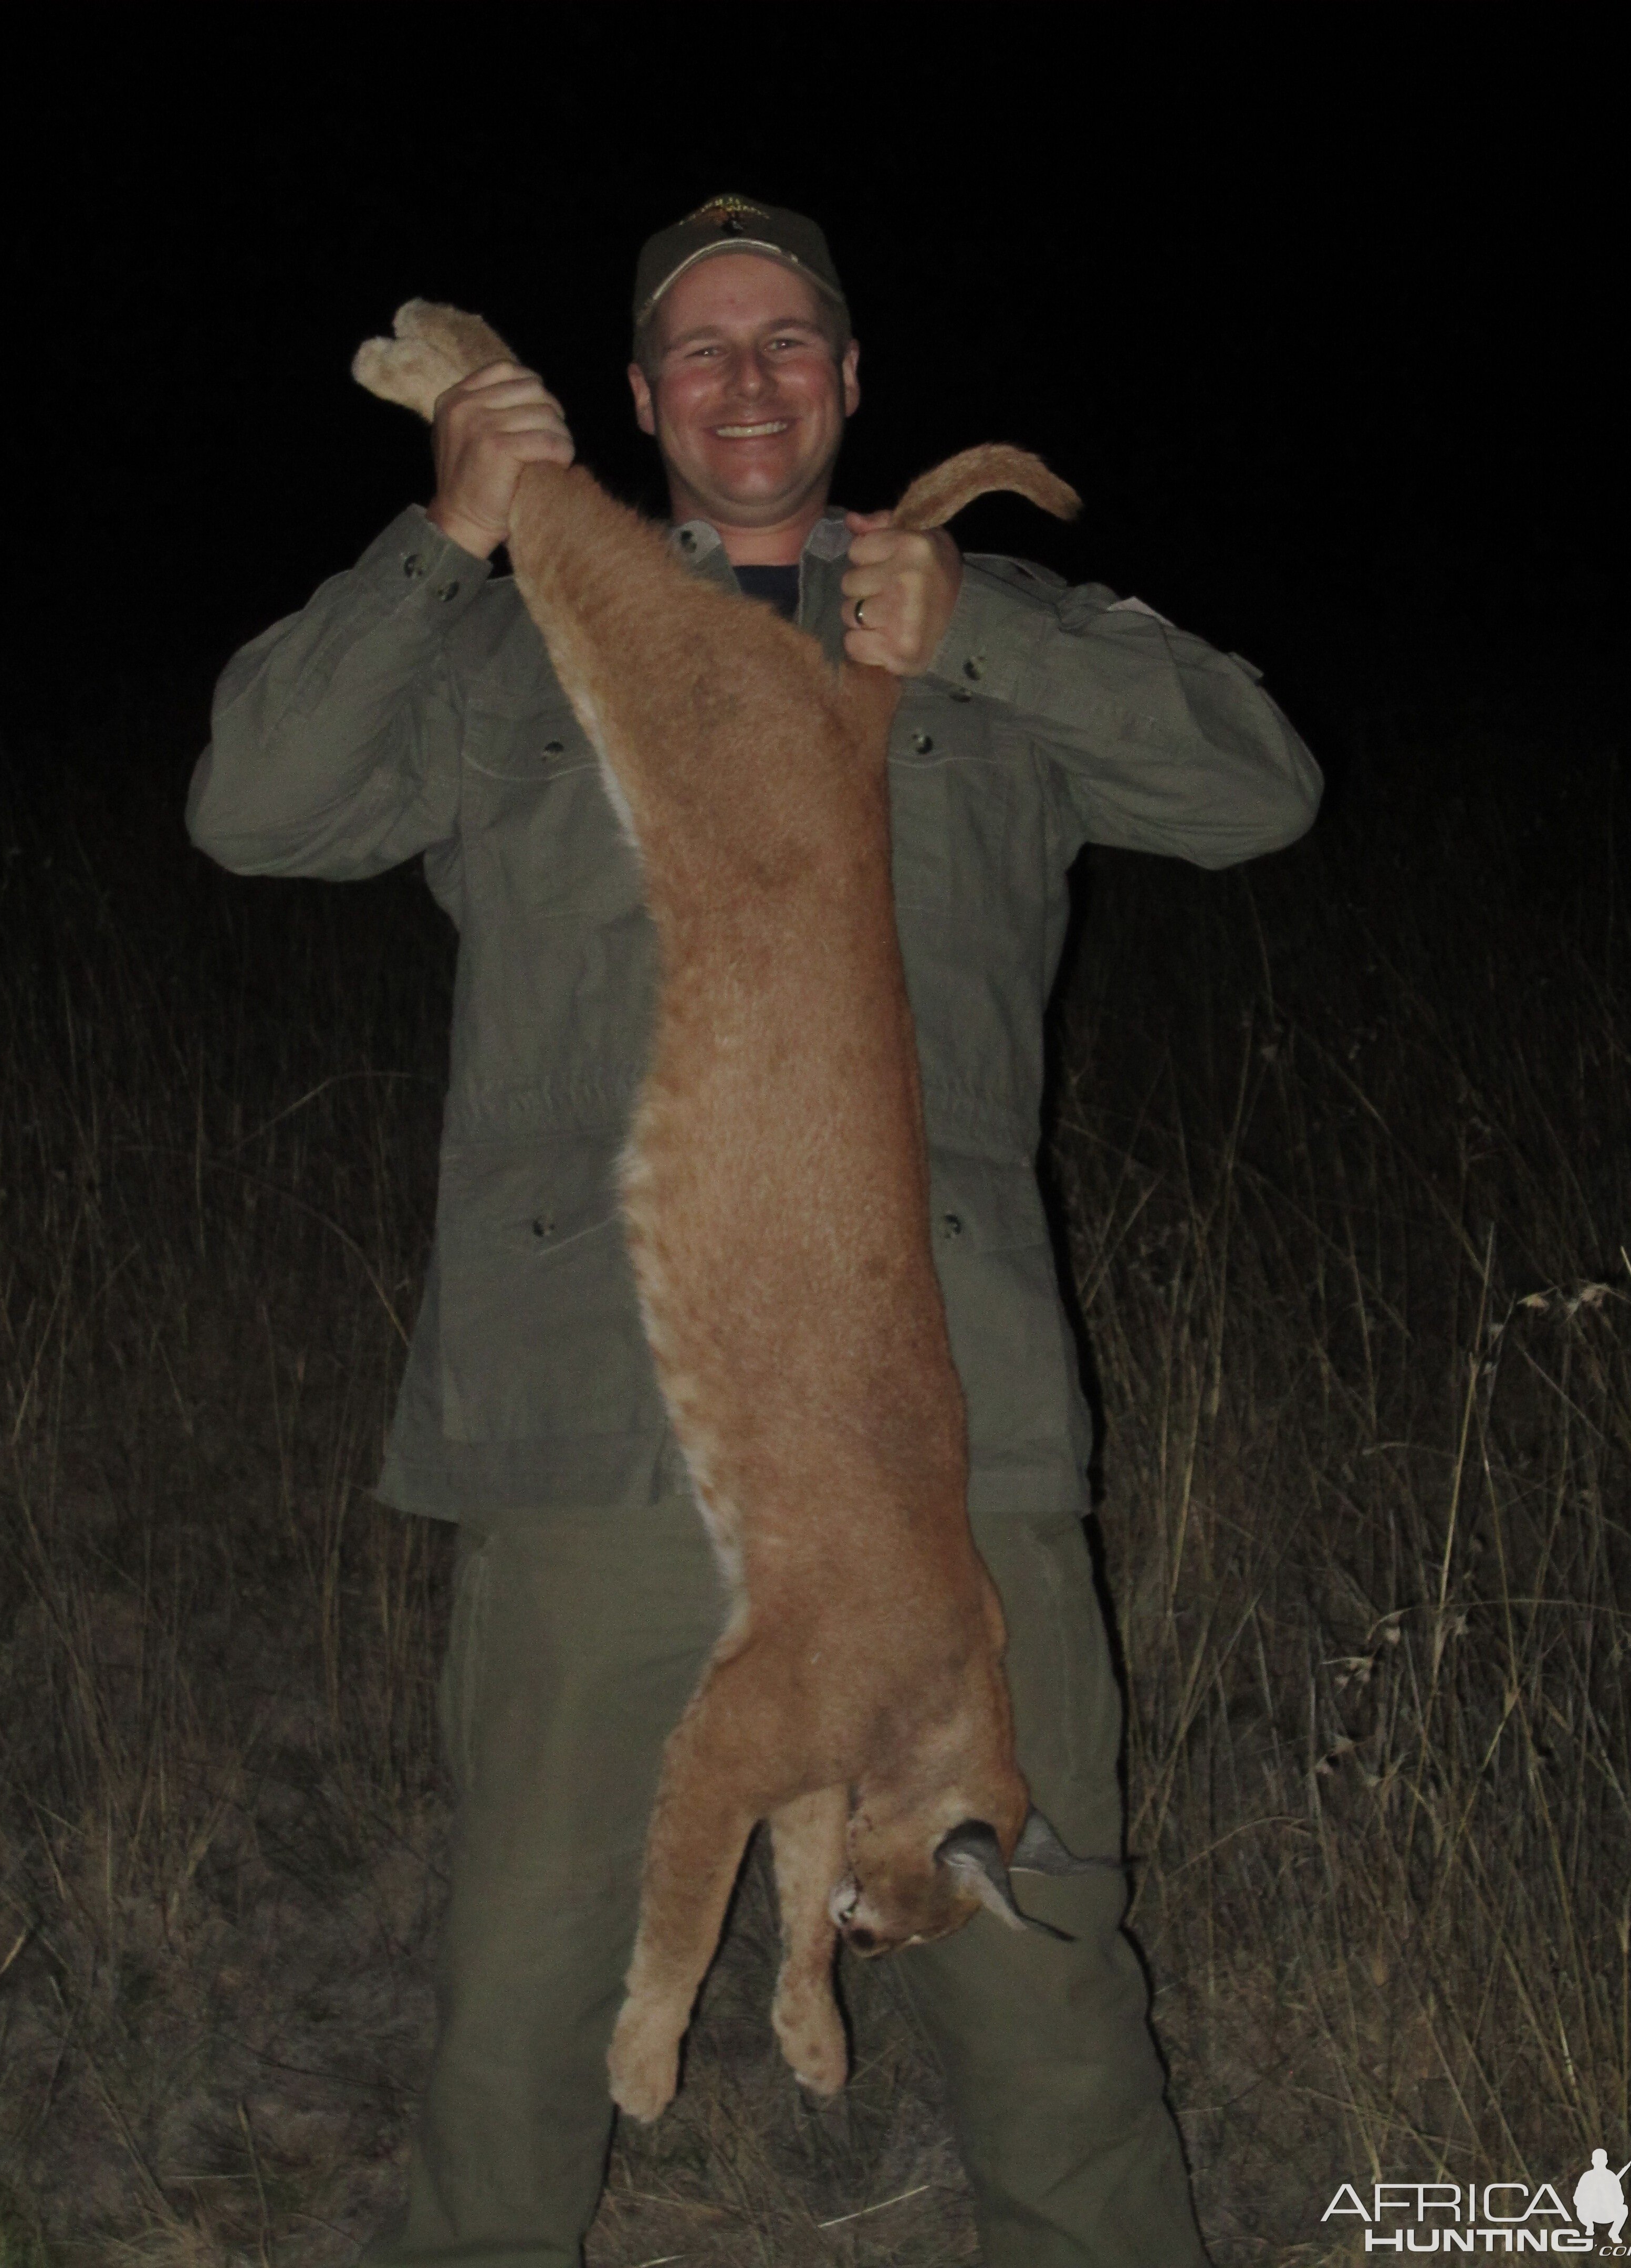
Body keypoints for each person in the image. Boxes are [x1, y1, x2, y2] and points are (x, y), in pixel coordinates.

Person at [187, 194, 1322, 2268]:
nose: (745, 378)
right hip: (594, 1418)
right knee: (525, 2009)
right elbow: (252, 805)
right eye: (699, 348)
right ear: (640, 396)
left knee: (1052, 2004)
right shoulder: (520, 627)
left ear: (851, 378)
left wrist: (977, 625)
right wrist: (446, 533)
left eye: (787, 339)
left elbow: (1265, 786)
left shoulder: (972, 644)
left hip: (939, 1442)